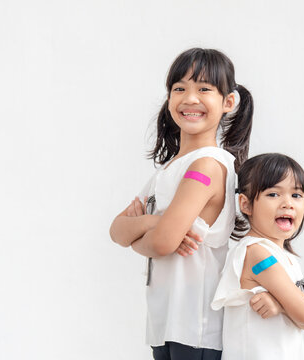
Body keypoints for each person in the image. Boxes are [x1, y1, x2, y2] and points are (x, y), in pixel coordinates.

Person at [110, 48, 257, 359]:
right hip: (163, 325)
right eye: (180, 89)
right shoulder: (167, 171)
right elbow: (116, 230)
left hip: (196, 329)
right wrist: (154, 223)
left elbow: (162, 244)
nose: (190, 98)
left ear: (228, 102)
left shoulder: (206, 166)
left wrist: (151, 232)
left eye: (204, 88)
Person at [211, 153, 304, 360]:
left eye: (296, 195)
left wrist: (281, 307)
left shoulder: (285, 258)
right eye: (273, 194)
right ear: (245, 204)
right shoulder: (257, 254)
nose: (288, 204)